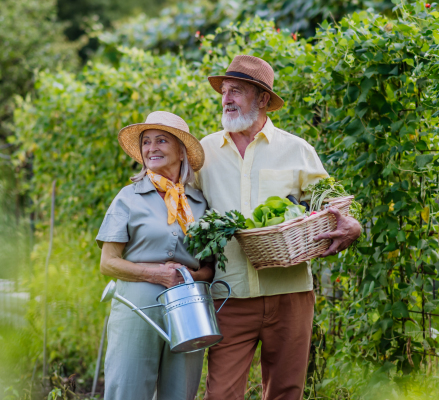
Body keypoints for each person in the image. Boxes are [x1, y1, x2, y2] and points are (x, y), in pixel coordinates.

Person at [194, 55, 362, 400]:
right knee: (221, 393)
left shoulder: (296, 150)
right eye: (225, 91)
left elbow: (331, 202)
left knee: (286, 391)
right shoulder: (204, 152)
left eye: (237, 91)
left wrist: (352, 225)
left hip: (290, 294)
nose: (227, 99)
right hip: (230, 295)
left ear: (263, 99)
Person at [96, 111, 214, 400]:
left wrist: (186, 275)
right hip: (137, 310)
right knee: (128, 390)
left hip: (188, 310)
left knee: (180, 393)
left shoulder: (199, 204)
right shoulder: (128, 197)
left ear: (181, 152)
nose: (151, 148)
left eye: (161, 141)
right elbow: (108, 263)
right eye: (146, 142)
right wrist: (156, 274)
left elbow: (209, 269)